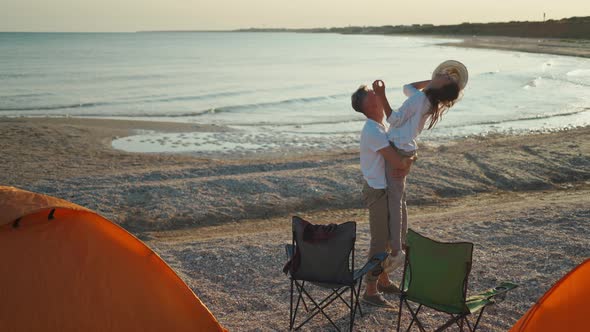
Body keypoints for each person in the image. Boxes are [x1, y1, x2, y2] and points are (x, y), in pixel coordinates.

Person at [372, 74, 461, 273]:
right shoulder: (426, 99)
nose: (443, 73)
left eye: (446, 76)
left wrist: (381, 95)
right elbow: (407, 86)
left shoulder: (420, 99)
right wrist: (432, 81)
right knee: (400, 200)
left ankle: (396, 251)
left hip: (397, 148)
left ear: (442, 86)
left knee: (395, 202)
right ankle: (400, 243)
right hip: (406, 148)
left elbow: (393, 119)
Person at [351, 84, 412, 308]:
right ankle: (370, 290)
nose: (377, 96)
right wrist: (410, 160)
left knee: (388, 238)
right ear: (367, 104)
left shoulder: (380, 126)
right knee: (379, 242)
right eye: (372, 94)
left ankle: (384, 279)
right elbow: (397, 162)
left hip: (383, 188)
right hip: (378, 191)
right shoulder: (373, 130)